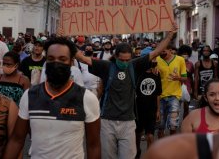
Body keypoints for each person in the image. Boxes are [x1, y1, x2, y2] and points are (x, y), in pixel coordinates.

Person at [75, 25, 177, 159]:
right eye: (121, 60)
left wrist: (170, 35)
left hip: (128, 123)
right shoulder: (106, 66)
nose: (124, 63)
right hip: (107, 122)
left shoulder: (134, 65)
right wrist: (63, 39)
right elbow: (82, 58)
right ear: (115, 56)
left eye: (127, 60)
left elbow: (156, 52)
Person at [2, 37, 100, 159]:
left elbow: (93, 145)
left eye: (62, 59)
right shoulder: (30, 96)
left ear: (71, 62)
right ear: (45, 62)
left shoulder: (87, 99)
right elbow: (17, 140)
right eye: (51, 59)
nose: (56, 63)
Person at [135, 48, 162, 158]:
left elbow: (158, 93)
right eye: (152, 59)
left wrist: (158, 110)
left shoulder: (156, 74)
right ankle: (137, 152)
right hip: (138, 108)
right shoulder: (137, 73)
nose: (154, 61)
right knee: (137, 134)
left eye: (155, 59)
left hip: (151, 108)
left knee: (150, 136)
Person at [157, 44, 187, 138]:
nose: (161, 53)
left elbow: (185, 78)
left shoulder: (180, 60)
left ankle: (171, 146)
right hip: (160, 96)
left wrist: (178, 78)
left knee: (173, 126)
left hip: (174, 96)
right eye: (160, 51)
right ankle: (160, 148)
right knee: (160, 125)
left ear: (170, 50)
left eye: (163, 51)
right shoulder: (157, 60)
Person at [177, 45, 195, 117]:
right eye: (183, 53)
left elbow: (192, 76)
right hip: (178, 86)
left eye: (187, 54)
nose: (185, 55)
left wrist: (192, 89)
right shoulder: (177, 62)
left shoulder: (190, 64)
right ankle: (175, 123)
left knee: (186, 107)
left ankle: (185, 122)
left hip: (187, 86)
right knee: (176, 107)